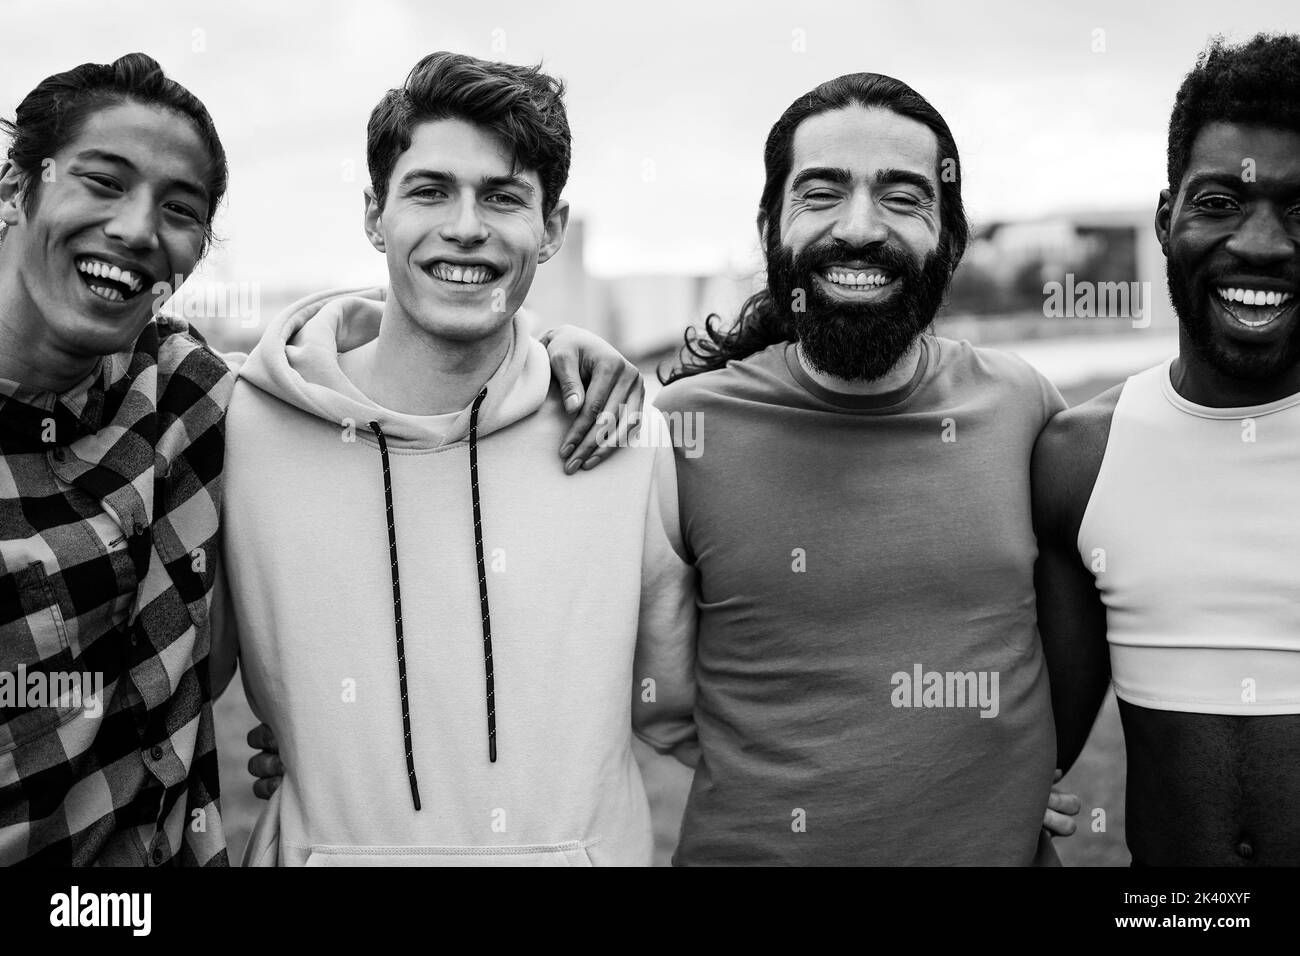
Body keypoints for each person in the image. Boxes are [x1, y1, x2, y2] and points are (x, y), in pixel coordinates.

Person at [0, 52, 640, 867]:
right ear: (16, 187)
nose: (134, 227)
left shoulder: (188, 397)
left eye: (179, 207)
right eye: (101, 181)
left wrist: (542, 352)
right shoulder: (230, 409)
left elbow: (422, 356)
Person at [213, 52, 693, 867]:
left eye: (503, 197)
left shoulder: (616, 433)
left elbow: (683, 707)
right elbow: (178, 687)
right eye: (430, 190)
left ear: (552, 230)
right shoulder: (243, 424)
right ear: (375, 215)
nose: (466, 225)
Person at [636, 72, 1075, 865]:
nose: (860, 229)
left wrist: (1002, 772)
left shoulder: (1025, 407)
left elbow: (1066, 630)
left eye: (904, 197)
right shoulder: (677, 432)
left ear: (951, 235)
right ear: (770, 224)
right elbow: (659, 701)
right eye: (823, 193)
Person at [1034, 33, 1300, 866]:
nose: (1260, 245)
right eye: (1219, 202)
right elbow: (1032, 750)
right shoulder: (1080, 459)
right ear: (1165, 219)